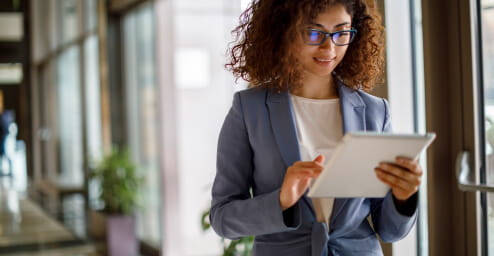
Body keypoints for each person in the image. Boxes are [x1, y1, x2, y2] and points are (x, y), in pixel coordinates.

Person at [210, 1, 422, 255]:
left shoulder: (375, 111)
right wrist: (281, 201)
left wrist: (403, 198)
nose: (329, 47)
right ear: (284, 31)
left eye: (341, 33)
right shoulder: (249, 109)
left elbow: (389, 230)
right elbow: (223, 219)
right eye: (313, 33)